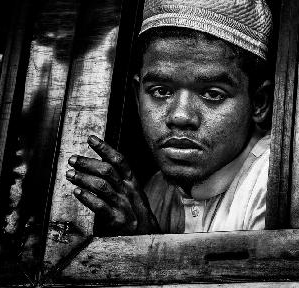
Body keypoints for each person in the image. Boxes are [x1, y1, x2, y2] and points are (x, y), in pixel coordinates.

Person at [65, 0, 273, 235]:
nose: (180, 116)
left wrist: (148, 245)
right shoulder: (155, 190)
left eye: (212, 94)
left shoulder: (272, 184)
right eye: (161, 91)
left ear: (259, 103)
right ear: (137, 96)